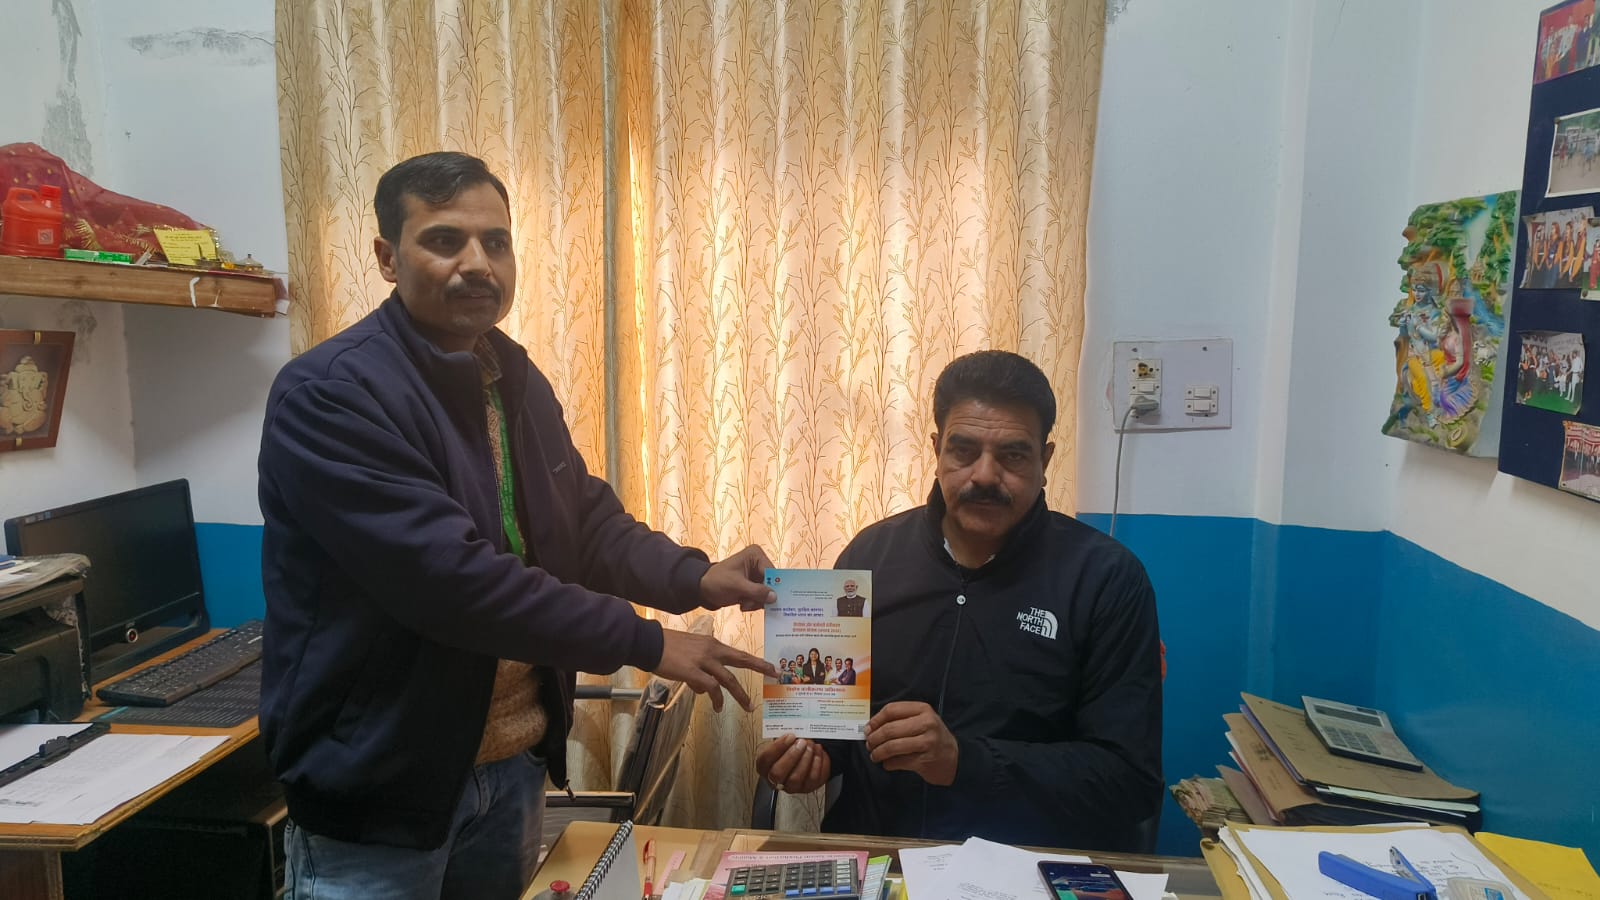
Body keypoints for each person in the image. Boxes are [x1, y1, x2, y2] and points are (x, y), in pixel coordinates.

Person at [258, 151, 778, 900]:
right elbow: (455, 583)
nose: (478, 263)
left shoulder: (511, 377)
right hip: (381, 788)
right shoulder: (331, 396)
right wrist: (649, 642)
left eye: (495, 242)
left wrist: (695, 576)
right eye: (445, 240)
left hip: (509, 771)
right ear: (386, 257)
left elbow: (583, 521)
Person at [755, 350, 1162, 852]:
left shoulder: (1107, 579)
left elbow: (1129, 781)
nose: (985, 475)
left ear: (1046, 460)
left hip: (1024, 866)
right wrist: (808, 754)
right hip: (878, 854)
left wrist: (964, 763)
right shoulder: (870, 557)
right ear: (937, 449)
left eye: (1013, 455)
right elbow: (832, 724)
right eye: (963, 450)